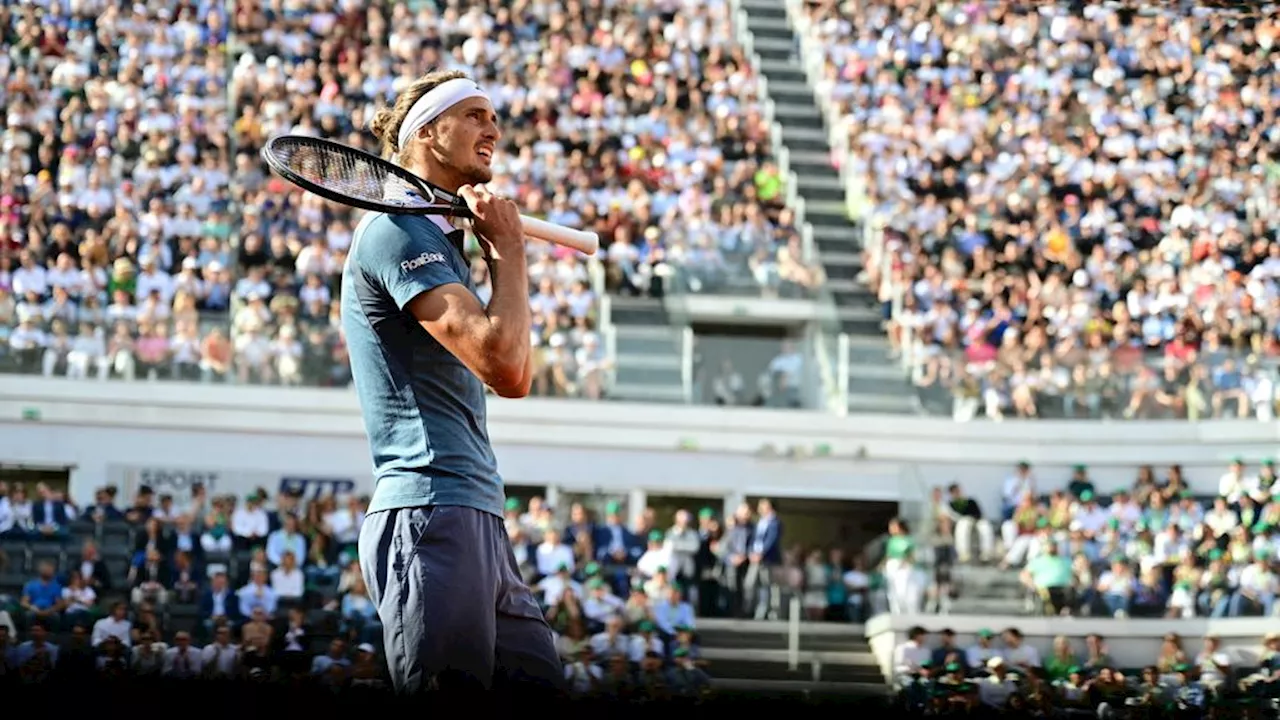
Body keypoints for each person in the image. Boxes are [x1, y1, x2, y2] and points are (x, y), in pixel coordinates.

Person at [345, 69, 561, 696]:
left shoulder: (439, 239)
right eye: (473, 115)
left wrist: (499, 251)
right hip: (430, 510)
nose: (492, 127)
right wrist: (510, 253)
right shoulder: (395, 232)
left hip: (478, 511)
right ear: (428, 134)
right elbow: (507, 367)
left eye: (494, 116)